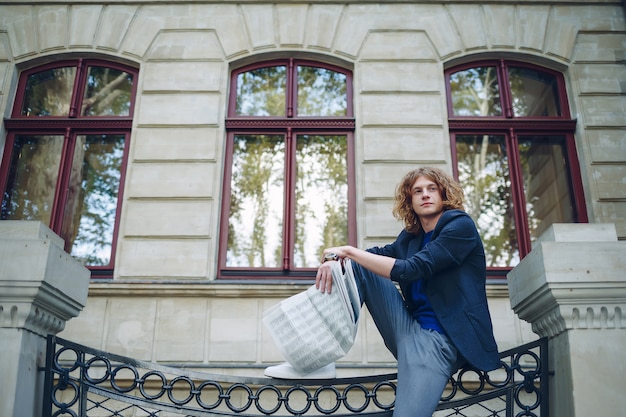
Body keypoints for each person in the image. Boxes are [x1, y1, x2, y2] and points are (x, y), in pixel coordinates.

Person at [315, 166, 500, 417]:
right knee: (360, 265)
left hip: (438, 340)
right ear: (409, 201)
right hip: (407, 328)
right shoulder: (410, 238)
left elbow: (413, 269)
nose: (425, 195)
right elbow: (376, 257)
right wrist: (335, 260)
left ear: (443, 194)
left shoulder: (460, 227)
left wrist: (348, 251)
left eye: (432, 189)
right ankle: (319, 354)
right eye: (418, 191)